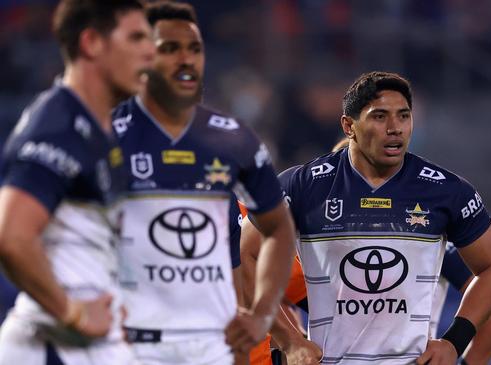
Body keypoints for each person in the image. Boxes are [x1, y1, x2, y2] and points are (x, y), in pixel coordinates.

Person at [248, 71, 491, 365]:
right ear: (349, 126)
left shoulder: (445, 190)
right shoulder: (302, 185)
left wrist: (454, 342)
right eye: (379, 116)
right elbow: (244, 254)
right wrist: (290, 341)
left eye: (403, 116)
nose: (394, 128)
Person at [111, 1, 296, 363]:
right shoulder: (103, 137)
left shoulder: (232, 142)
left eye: (194, 49)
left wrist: (257, 320)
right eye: (170, 49)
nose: (186, 60)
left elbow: (272, 234)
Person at [0, 1, 154, 364]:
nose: (150, 51)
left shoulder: (98, 130)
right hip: (56, 346)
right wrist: (73, 312)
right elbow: (11, 235)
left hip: (90, 344)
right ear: (92, 43)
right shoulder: (59, 126)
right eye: (135, 38)